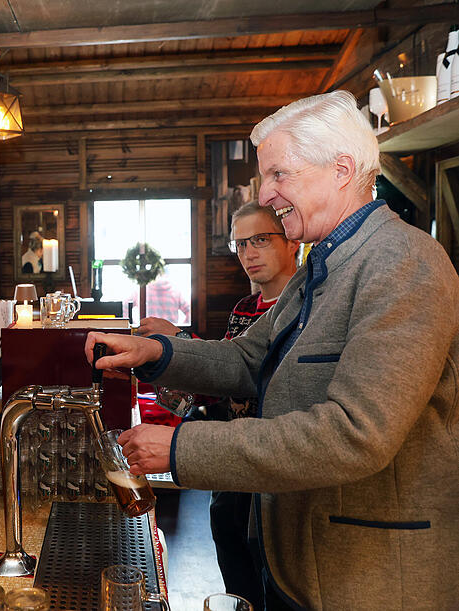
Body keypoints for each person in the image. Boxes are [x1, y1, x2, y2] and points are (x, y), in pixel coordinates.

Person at [86, 91, 459, 609]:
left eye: (280, 175)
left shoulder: (404, 262)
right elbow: (246, 358)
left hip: (367, 575)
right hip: (296, 557)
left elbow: (358, 433)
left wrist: (180, 450)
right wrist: (155, 352)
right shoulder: (320, 267)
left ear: (342, 169)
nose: (267, 194)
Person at [138, 201, 299, 610]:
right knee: (237, 577)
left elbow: (268, 383)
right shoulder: (244, 311)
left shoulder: (306, 309)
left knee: (276, 585)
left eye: (260, 240)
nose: (249, 253)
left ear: (293, 241)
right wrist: (157, 362)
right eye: (240, 243)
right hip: (231, 471)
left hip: (278, 471)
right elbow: (216, 388)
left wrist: (179, 342)